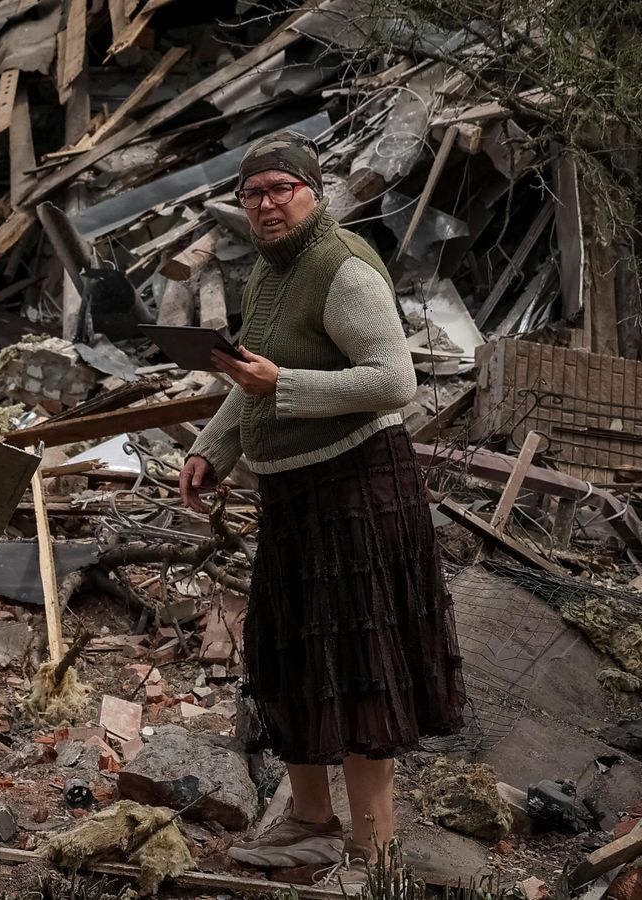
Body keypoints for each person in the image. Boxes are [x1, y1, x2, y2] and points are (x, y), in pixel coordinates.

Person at [178, 131, 465, 871]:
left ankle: (375, 851)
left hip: (360, 489)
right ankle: (309, 822)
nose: (268, 205)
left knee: (361, 659)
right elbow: (251, 378)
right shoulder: (270, 276)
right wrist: (213, 450)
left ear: (314, 192)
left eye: (282, 189)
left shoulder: (343, 268)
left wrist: (286, 387)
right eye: (254, 193)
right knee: (289, 655)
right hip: (296, 495)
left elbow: (394, 382)